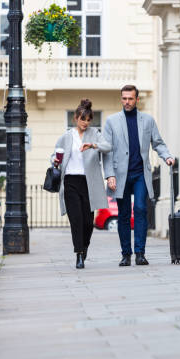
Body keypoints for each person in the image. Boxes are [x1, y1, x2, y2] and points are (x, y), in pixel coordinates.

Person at [103, 85, 174, 266]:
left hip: (140, 173)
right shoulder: (112, 121)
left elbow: (157, 142)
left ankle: (140, 253)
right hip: (120, 175)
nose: (127, 102)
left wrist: (167, 156)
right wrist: (109, 175)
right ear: (121, 99)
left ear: (137, 100)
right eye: (124, 98)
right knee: (124, 214)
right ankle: (126, 254)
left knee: (141, 209)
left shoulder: (148, 121)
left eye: (130, 99)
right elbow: (107, 151)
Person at [53, 99, 111, 269]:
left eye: (88, 120)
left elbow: (108, 146)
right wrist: (55, 161)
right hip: (70, 181)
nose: (85, 123)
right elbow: (54, 157)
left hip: (89, 182)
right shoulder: (66, 137)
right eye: (82, 119)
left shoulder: (95, 133)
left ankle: (84, 247)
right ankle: (78, 254)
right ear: (75, 118)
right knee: (76, 220)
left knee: (87, 222)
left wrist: (93, 145)